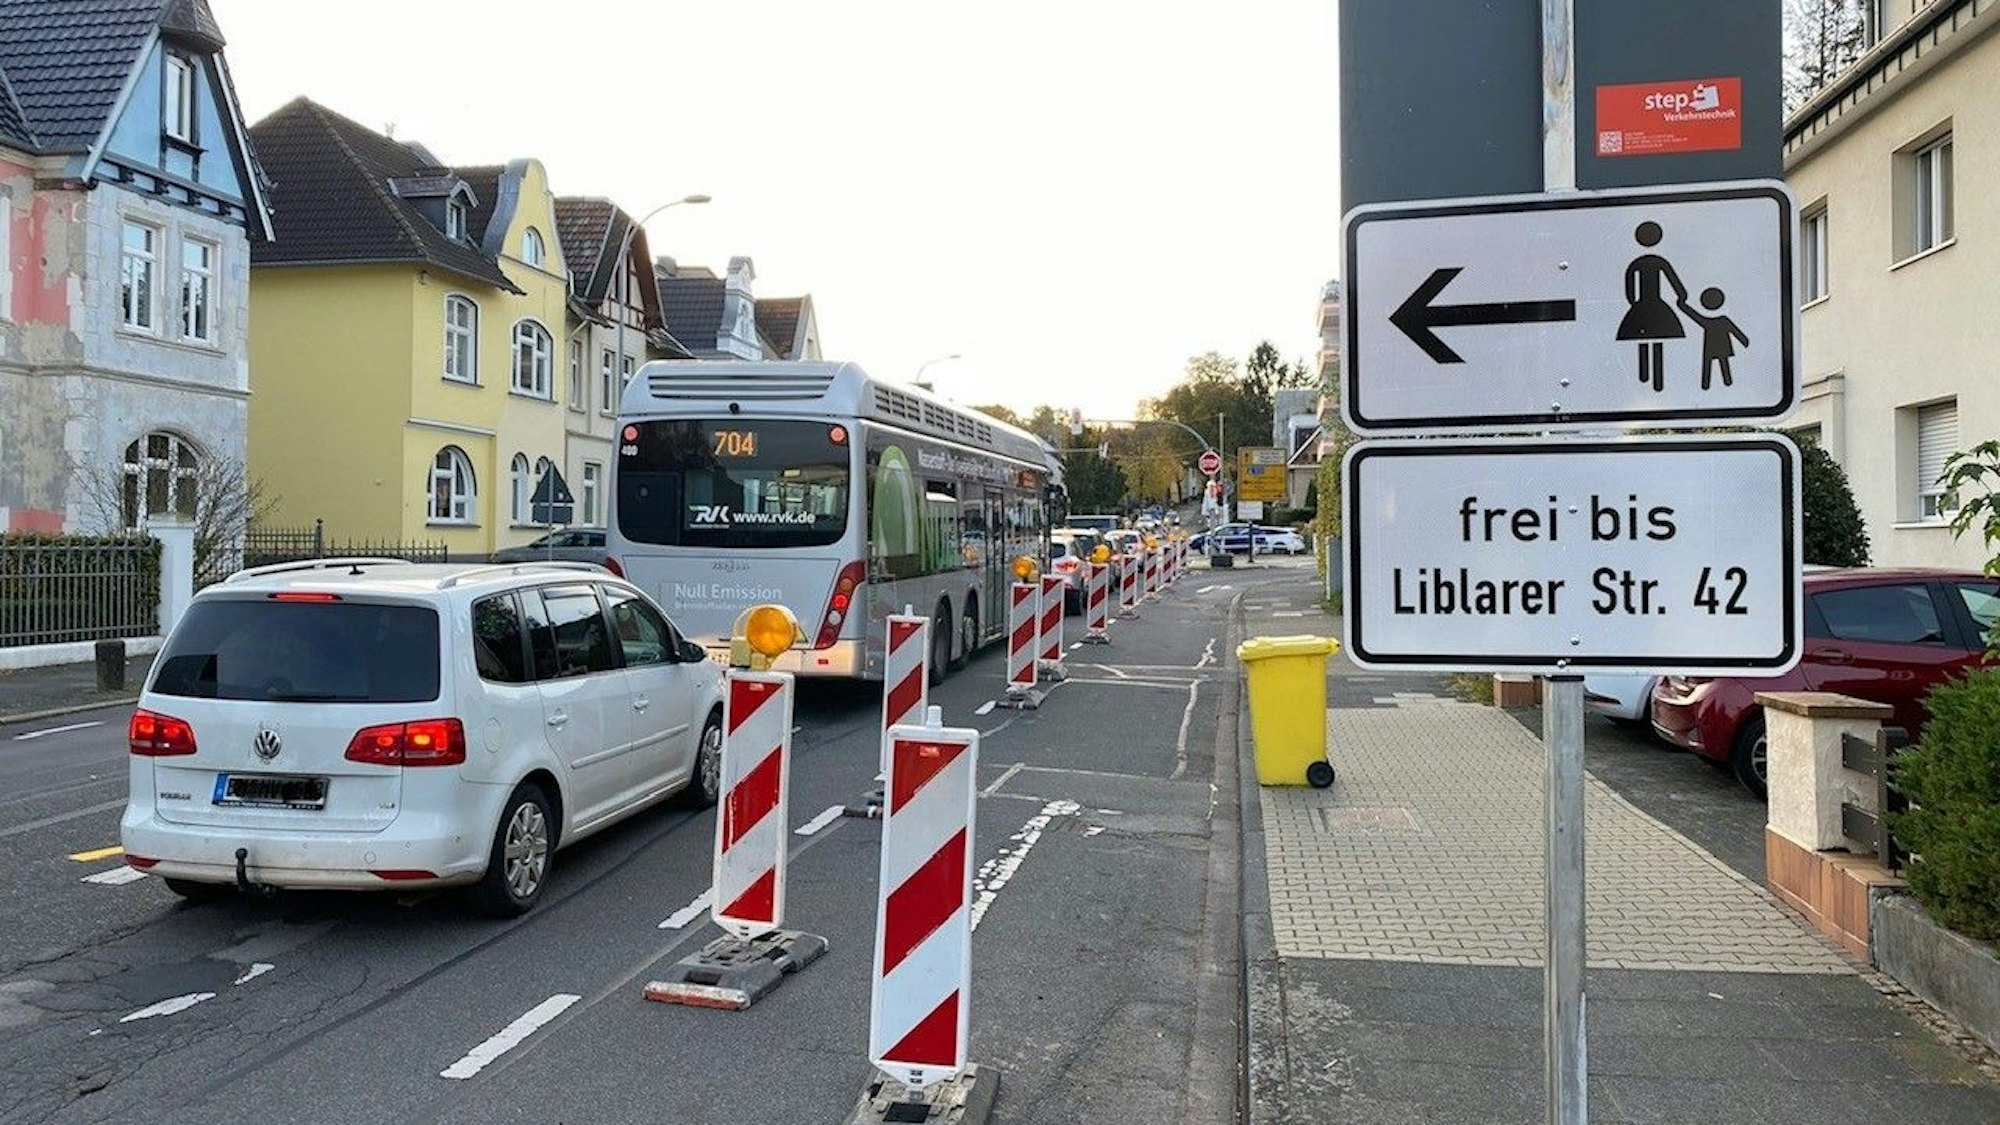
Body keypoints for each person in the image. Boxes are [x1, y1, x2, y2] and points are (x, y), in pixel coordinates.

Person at [1616, 221, 1690, 393]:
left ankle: (1649, 379)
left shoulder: (1639, 262)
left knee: (1650, 339)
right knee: (1653, 339)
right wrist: (1681, 296)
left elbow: (1629, 285)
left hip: (1644, 305)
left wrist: (1633, 303)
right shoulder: (1657, 261)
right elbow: (1674, 281)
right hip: (1654, 305)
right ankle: (1649, 381)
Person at [1679, 287, 1750, 390]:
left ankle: (1710, 384)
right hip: (1718, 346)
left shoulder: (1709, 322)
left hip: (1713, 347)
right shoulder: (1721, 320)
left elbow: (1694, 315)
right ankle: (1715, 384)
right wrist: (1744, 341)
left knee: (1715, 364)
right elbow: (1736, 331)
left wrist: (1683, 305)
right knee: (1719, 363)